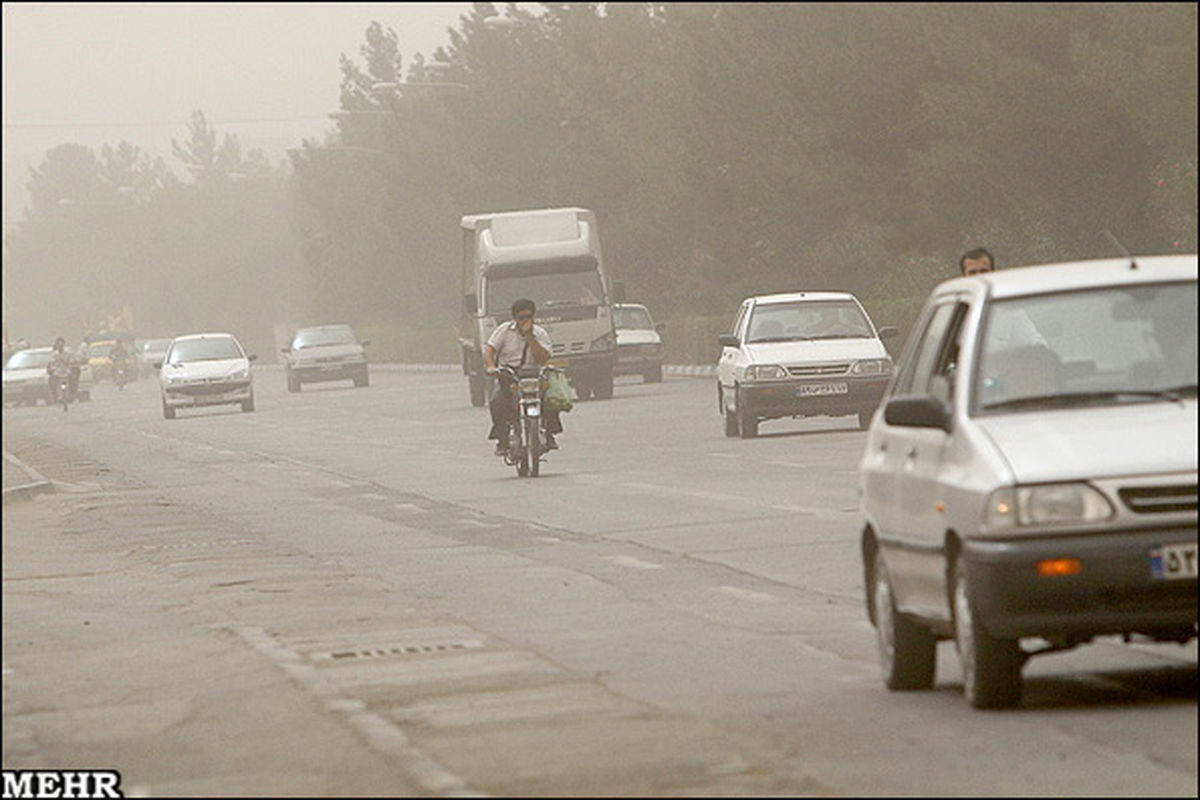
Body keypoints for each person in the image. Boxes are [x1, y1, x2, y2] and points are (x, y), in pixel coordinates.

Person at [484, 298, 563, 455]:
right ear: (514, 318)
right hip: (509, 374)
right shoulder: (504, 331)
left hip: (533, 374)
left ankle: (549, 433)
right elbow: (490, 349)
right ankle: (502, 439)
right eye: (521, 318)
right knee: (497, 400)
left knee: (552, 394)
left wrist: (530, 337)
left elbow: (542, 359)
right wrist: (491, 366)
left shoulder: (540, 333)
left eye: (528, 317)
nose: (525, 321)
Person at [960, 247, 1047, 348]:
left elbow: (1036, 345)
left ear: (993, 273)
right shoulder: (955, 313)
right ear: (964, 277)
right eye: (972, 272)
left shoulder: (1010, 312)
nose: (979, 276)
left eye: (984, 271)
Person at [47, 337, 74, 405]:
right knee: (55, 385)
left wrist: (69, 369)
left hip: (65, 373)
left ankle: (67, 395)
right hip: (57, 373)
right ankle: (57, 397)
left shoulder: (67, 353)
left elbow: (70, 362)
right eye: (59, 344)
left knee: (65, 385)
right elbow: (52, 363)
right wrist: (53, 369)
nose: (60, 346)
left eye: (61, 344)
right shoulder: (54, 354)